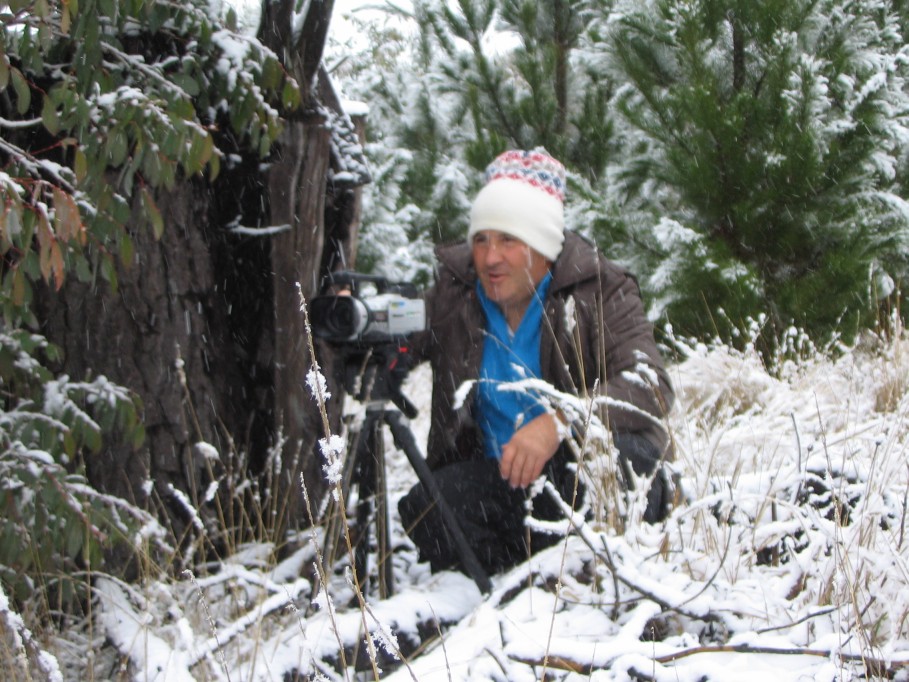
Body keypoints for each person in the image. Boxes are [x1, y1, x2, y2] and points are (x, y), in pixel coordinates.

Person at [398, 149, 675, 576]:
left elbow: (650, 383)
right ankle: (508, 588)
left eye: (508, 240)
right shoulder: (456, 293)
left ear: (544, 246)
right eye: (481, 239)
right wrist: (360, 320)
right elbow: (396, 343)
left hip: (579, 472)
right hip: (501, 481)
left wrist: (561, 420)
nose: (490, 258)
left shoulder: (598, 289)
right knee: (428, 507)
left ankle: (594, 576)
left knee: (624, 463)